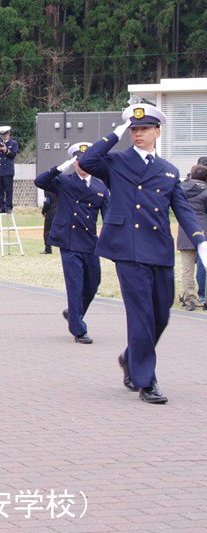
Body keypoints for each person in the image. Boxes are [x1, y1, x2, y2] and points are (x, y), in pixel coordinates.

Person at [79, 103, 207, 404]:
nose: (138, 134)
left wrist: (201, 241)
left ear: (157, 133)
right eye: (134, 129)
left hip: (159, 249)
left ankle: (130, 358)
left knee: (161, 316)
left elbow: (183, 210)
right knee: (141, 316)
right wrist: (116, 132)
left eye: (144, 129)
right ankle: (146, 381)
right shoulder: (117, 161)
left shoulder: (169, 171)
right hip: (129, 248)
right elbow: (87, 159)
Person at [34, 142, 109, 344]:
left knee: (93, 284)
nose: (83, 165)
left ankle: (73, 312)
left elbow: (108, 215)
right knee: (75, 285)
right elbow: (40, 181)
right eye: (79, 161)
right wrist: (60, 167)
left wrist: (111, 240)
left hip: (90, 241)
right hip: (68, 239)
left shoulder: (100, 186)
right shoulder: (64, 180)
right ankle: (78, 329)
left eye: (87, 161)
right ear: (74, 162)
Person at [176, 164, 207, 310]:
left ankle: (190, 299)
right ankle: (205, 297)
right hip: (204, 232)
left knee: (187, 268)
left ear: (191, 175)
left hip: (186, 231)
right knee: (205, 265)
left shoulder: (181, 189)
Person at [0, 125, 19, 213]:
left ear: (8, 133)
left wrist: (5, 150)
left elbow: (12, 155)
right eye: (1, 135)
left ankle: (9, 207)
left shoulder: (13, 143)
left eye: (5, 135)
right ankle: (0, 207)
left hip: (8, 170)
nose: (3, 136)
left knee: (8, 190)